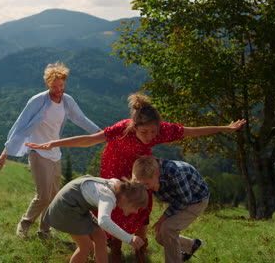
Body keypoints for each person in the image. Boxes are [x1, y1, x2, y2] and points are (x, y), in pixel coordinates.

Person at [26, 92, 245, 261]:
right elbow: (91, 139)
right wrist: (53, 143)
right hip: (114, 166)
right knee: (113, 206)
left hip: (140, 168)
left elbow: (189, 131)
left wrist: (224, 128)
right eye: (144, 132)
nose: (150, 136)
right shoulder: (122, 129)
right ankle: (115, 248)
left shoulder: (160, 130)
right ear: (134, 126)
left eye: (153, 132)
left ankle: (141, 248)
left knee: (142, 205)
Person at [0, 62, 100, 239]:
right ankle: (25, 223)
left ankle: (44, 230)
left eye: (61, 85)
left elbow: (81, 119)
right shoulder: (37, 101)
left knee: (54, 196)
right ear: (47, 84)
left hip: (55, 153)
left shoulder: (67, 101)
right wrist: (5, 153)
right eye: (55, 86)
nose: (59, 89)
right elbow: (20, 126)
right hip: (38, 152)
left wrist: (102, 134)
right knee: (43, 195)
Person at [45, 175, 148, 263]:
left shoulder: (118, 186)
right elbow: (103, 221)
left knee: (100, 238)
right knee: (86, 246)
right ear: (125, 198)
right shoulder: (108, 198)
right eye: (136, 207)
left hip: (78, 206)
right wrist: (129, 239)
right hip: (67, 208)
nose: (136, 212)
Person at [132, 156, 209, 263]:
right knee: (160, 236)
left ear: (156, 173)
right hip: (179, 200)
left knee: (168, 228)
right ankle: (191, 246)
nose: (145, 187)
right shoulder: (147, 175)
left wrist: (163, 218)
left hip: (196, 200)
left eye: (147, 184)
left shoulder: (174, 172)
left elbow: (185, 200)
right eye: (142, 184)